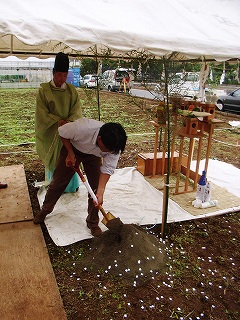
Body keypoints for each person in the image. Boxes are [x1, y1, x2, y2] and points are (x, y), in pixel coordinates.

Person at [33, 118, 127, 237]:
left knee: (95, 191)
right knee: (58, 183)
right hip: (74, 149)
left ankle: (92, 223)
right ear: (99, 139)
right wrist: (70, 152)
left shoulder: (114, 148)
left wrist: (101, 192)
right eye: (107, 150)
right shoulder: (81, 128)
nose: (109, 153)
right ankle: (45, 210)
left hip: (93, 157)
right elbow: (62, 132)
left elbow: (107, 169)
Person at [35, 52, 82, 192]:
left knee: (70, 156)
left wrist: (69, 122)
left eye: (65, 75)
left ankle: (70, 187)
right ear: (53, 73)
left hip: (69, 130)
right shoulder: (44, 90)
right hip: (52, 132)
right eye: (59, 75)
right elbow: (41, 113)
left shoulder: (71, 90)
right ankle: (55, 188)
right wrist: (58, 121)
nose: (62, 79)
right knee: (56, 159)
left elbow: (77, 110)